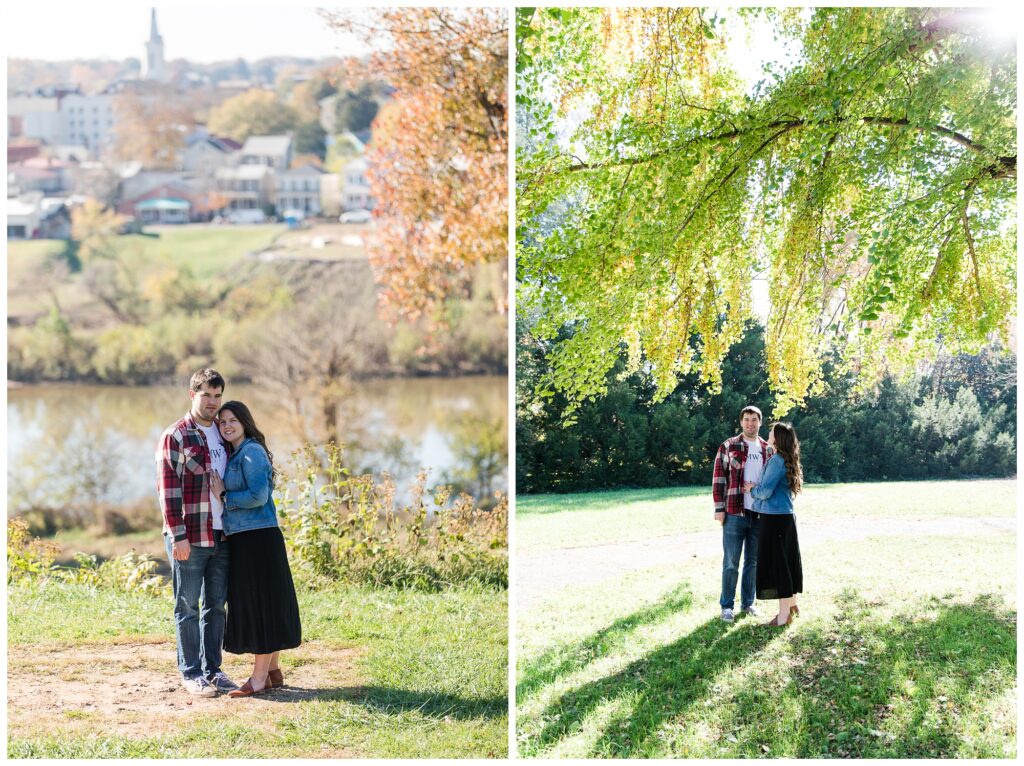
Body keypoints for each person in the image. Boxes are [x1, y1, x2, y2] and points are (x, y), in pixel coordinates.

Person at [209, 401, 302, 697]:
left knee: (261, 605)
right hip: (247, 537)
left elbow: (259, 495)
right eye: (222, 422)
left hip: (258, 538)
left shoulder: (251, 452)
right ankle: (272, 671)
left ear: (245, 422)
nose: (226, 426)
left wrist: (224, 494)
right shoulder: (237, 452)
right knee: (265, 602)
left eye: (232, 420)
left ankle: (258, 679)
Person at [156, 368, 238, 696]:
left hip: (223, 534)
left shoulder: (226, 431)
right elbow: (167, 490)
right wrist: (177, 536)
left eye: (218, 396)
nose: (213, 403)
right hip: (190, 535)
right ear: (193, 395)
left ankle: (214, 671)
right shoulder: (175, 435)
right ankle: (191, 673)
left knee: (216, 605)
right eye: (207, 396)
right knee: (187, 605)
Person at [712, 405, 772, 622]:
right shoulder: (729, 446)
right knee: (731, 562)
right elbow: (719, 478)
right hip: (734, 513)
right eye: (746, 419)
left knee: (753, 561)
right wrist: (719, 509)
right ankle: (727, 606)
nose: (750, 423)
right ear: (741, 422)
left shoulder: (767, 449)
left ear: (760, 422)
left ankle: (748, 603)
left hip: (759, 514)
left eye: (754, 419)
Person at [744, 422, 804, 627]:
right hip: (784, 517)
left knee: (780, 566)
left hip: (775, 519)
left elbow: (765, 491)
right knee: (787, 562)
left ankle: (783, 616)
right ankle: (792, 605)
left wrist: (751, 489)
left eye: (771, 432)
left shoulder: (777, 460)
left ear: (777, 439)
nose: (768, 434)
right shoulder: (785, 459)